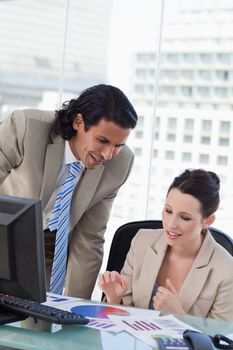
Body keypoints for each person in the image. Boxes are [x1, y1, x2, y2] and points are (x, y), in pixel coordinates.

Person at [0, 84, 138, 298]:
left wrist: (73, 307)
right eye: (102, 140)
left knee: (41, 316)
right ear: (78, 122)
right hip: (4, 234)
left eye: (118, 145)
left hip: (48, 249)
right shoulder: (26, 127)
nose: (109, 154)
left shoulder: (120, 165)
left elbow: (89, 239)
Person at [99, 169, 233, 321]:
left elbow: (220, 340)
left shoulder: (227, 270)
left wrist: (178, 315)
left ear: (207, 221)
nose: (171, 224)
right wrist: (114, 299)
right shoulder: (142, 242)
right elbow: (121, 321)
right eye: (168, 210)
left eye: (184, 217)